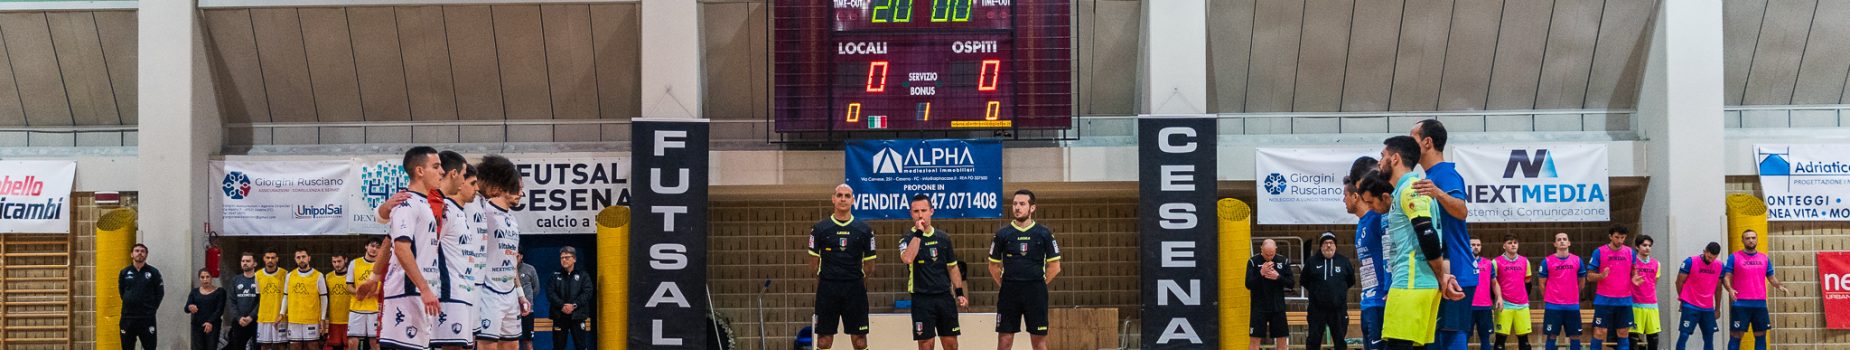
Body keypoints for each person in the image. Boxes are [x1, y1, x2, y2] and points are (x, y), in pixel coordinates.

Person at [356, 146, 446, 350]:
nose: (441, 171)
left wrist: (374, 278)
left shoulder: (426, 203)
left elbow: (388, 239)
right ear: (420, 171)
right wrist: (424, 289)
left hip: (421, 292)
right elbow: (400, 249)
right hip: (407, 293)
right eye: (436, 166)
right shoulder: (407, 203)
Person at [1379, 136, 1456, 350]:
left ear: (1394, 159)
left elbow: (1428, 234)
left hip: (1410, 283)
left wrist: (1441, 275)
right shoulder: (1407, 189)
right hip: (1418, 283)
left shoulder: (1411, 188)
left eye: (1382, 156)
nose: (1379, 162)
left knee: (1397, 346)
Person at [1410, 119, 1473, 350]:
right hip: (1439, 269)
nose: (1409, 143)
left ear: (1427, 142)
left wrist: (1437, 193)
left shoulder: (1445, 174)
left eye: (1413, 137)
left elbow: (1461, 210)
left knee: (1451, 336)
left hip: (1456, 269)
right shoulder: (1426, 176)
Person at [989, 189, 1062, 350]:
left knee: (1039, 342)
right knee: (1004, 341)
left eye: (1022, 204)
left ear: (1032, 208)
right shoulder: (1002, 234)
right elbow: (993, 266)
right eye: (1015, 204)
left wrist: (1038, 283)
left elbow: (1055, 267)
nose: (1017, 207)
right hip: (1009, 292)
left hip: (1036, 293)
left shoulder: (1044, 234)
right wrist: (1006, 284)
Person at [809, 184, 878, 350]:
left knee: (860, 340)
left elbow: (869, 265)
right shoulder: (820, 228)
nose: (843, 199)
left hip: (855, 289)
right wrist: (826, 279)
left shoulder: (864, 230)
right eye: (839, 195)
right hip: (828, 289)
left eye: (847, 196)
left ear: (853, 200)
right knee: (824, 340)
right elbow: (813, 263)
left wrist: (857, 280)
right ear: (833, 199)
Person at [475, 155, 529, 350]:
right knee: (487, 345)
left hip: (509, 292)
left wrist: (520, 293)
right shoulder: (484, 209)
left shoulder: (513, 220)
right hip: (488, 291)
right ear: (504, 187)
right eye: (517, 188)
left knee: (512, 345)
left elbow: (512, 260)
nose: (520, 193)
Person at [900, 194, 967, 350]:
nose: (920, 214)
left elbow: (952, 267)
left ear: (931, 211)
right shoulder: (907, 237)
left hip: (944, 297)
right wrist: (919, 233)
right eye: (916, 211)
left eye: (924, 210)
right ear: (911, 213)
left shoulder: (943, 238)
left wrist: (959, 293)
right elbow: (907, 258)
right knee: (926, 345)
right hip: (921, 299)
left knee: (951, 344)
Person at [1347, 157, 1391, 350]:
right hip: (1367, 300)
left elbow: (1390, 253)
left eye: (1345, 195)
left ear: (1356, 196)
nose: (1343, 200)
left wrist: (1389, 288)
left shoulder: (1378, 217)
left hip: (1381, 300)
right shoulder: (1361, 223)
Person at [1724, 230, 1790, 350]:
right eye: (1747, 238)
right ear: (1742, 240)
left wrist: (1779, 285)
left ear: (1757, 239)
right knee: (1736, 336)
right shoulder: (1734, 257)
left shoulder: (1764, 258)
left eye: (1753, 237)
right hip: (1741, 304)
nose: (1751, 240)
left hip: (1760, 304)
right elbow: (1726, 277)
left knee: (1761, 336)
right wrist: (1730, 289)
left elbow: (1771, 277)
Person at [1587, 226, 1636, 350]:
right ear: (1610, 236)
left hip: (1624, 300)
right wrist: (1601, 275)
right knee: (1599, 332)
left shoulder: (1630, 252)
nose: (1619, 240)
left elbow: (1634, 272)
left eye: (1623, 238)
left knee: (1623, 332)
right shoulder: (1599, 252)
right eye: (1617, 237)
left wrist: (1634, 279)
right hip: (1604, 300)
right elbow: (1589, 277)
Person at [1303, 232, 1355, 350]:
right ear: (1321, 246)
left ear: (1335, 246)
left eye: (1331, 243)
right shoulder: (1312, 262)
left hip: (1338, 309)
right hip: (1316, 310)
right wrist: (1318, 293)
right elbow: (1304, 281)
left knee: (1340, 341)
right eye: (1325, 243)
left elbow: (1351, 280)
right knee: (1313, 340)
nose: (1328, 245)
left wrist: (1337, 293)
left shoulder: (1344, 261)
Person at [1538, 232, 1586, 350]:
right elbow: (1541, 283)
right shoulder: (1547, 261)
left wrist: (1572, 294)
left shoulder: (1577, 260)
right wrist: (1550, 298)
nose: (1562, 241)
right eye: (1559, 240)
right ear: (1555, 244)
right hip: (1553, 306)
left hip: (1572, 305)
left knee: (1575, 335)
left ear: (1569, 243)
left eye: (1564, 239)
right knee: (1551, 335)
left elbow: (1582, 282)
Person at [1246, 238, 1294, 350]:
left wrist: (1278, 277)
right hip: (1259, 307)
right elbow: (1248, 284)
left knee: (1282, 339)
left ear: (1276, 250)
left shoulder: (1283, 261)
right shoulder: (1253, 261)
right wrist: (1261, 273)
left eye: (1271, 254)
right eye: (1266, 254)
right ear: (1261, 249)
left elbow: (1291, 283)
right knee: (1254, 339)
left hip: (1278, 307)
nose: (1269, 257)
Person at [1676, 242, 1725, 350]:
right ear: (1704, 251)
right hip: (1690, 305)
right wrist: (1683, 299)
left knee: (1709, 337)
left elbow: (1718, 288)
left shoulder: (1720, 266)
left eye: (1714, 257)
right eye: (1709, 256)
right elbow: (1679, 282)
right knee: (1684, 335)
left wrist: (1717, 308)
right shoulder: (1690, 262)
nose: (1711, 260)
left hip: (1707, 307)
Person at [278, 249, 328, 350]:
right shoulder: (290, 276)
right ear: (295, 259)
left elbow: (324, 298)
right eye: (298, 257)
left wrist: (322, 318)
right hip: (294, 319)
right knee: (295, 346)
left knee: (312, 346)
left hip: (311, 319)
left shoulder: (318, 276)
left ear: (309, 258)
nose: (301, 260)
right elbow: (286, 296)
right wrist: (282, 313)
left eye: (303, 257)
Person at [1491, 235, 1533, 350]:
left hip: (1522, 305)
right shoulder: (1495, 262)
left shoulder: (1525, 261)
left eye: (1515, 242)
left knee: (1525, 343)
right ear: (1504, 246)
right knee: (1499, 343)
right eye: (1510, 243)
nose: (1513, 245)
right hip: (1504, 305)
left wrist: (1522, 296)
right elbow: (1493, 283)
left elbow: (1528, 283)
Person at [548, 246, 595, 350]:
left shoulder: (583, 275)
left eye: (567, 257)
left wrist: (574, 305)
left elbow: (587, 292)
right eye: (562, 258)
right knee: (558, 347)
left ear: (574, 259)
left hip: (577, 316)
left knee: (581, 346)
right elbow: (550, 293)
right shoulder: (554, 275)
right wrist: (562, 305)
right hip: (559, 316)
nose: (564, 260)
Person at [119, 243, 164, 350]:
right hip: (128, 318)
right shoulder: (124, 272)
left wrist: (151, 309)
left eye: (142, 251)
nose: (140, 253)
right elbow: (122, 292)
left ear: (146, 255)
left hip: (147, 318)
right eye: (137, 251)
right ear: (132, 254)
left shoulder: (153, 272)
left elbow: (160, 293)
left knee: (150, 347)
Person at [346, 238, 383, 350]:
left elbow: (384, 288)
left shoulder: (382, 265)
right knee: (353, 341)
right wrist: (358, 292)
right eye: (372, 246)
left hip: (375, 309)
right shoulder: (354, 263)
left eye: (377, 247)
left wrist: (373, 292)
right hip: (356, 308)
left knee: (374, 342)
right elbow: (348, 286)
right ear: (366, 246)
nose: (374, 249)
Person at [1631, 235, 1662, 350]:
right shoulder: (1632, 263)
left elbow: (1655, 282)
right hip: (1635, 304)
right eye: (1644, 245)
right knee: (1633, 338)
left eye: (1649, 246)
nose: (1647, 248)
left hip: (1651, 305)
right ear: (1637, 247)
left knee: (1653, 338)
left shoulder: (1656, 264)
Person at [226, 252, 262, 350]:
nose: (245, 263)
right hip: (239, 321)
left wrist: (251, 317)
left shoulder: (260, 279)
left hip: (256, 321)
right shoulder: (235, 280)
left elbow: (262, 301)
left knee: (257, 347)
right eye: (243, 261)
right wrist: (238, 317)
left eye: (248, 261)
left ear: (255, 264)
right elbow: (231, 301)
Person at [188, 268, 228, 350]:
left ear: (211, 277)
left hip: (213, 325)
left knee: (211, 347)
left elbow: (219, 309)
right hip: (197, 325)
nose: (205, 279)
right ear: (199, 278)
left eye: (207, 277)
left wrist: (210, 322)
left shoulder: (220, 292)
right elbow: (187, 307)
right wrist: (190, 307)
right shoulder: (194, 292)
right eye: (202, 277)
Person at [1468, 238, 1496, 350]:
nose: (1476, 247)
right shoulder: (1462, 262)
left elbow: (1494, 283)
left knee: (1485, 337)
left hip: (1485, 306)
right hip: (1467, 306)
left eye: (1478, 245)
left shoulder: (1488, 263)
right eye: (1473, 245)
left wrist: (1498, 297)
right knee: (1464, 337)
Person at [256, 250, 287, 349]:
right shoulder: (258, 275)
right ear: (264, 259)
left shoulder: (285, 274)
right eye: (268, 257)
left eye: (273, 258)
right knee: (265, 346)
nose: (270, 260)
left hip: (280, 317)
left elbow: (287, 296)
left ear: (277, 259)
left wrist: (283, 313)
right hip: (264, 317)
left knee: (281, 346)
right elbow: (258, 296)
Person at [325, 255, 352, 350]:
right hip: (333, 320)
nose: (337, 264)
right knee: (334, 347)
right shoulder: (328, 277)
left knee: (348, 347)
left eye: (339, 261)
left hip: (350, 320)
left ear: (346, 259)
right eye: (334, 262)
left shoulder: (353, 275)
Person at [517, 252, 539, 350]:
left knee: (528, 341)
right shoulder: (505, 270)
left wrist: (527, 301)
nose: (514, 258)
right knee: (510, 341)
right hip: (511, 311)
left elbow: (536, 288)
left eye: (516, 256)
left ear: (521, 256)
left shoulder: (530, 269)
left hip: (527, 312)